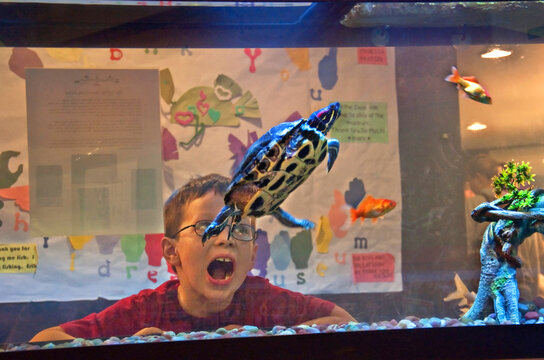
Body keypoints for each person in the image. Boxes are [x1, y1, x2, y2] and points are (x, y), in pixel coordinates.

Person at [31, 173, 355, 342]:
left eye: (241, 229)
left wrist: (263, 336)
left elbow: (344, 323)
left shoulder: (263, 300)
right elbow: (43, 340)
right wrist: (127, 346)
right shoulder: (146, 311)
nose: (226, 237)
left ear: (253, 253)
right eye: (209, 227)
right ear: (172, 251)